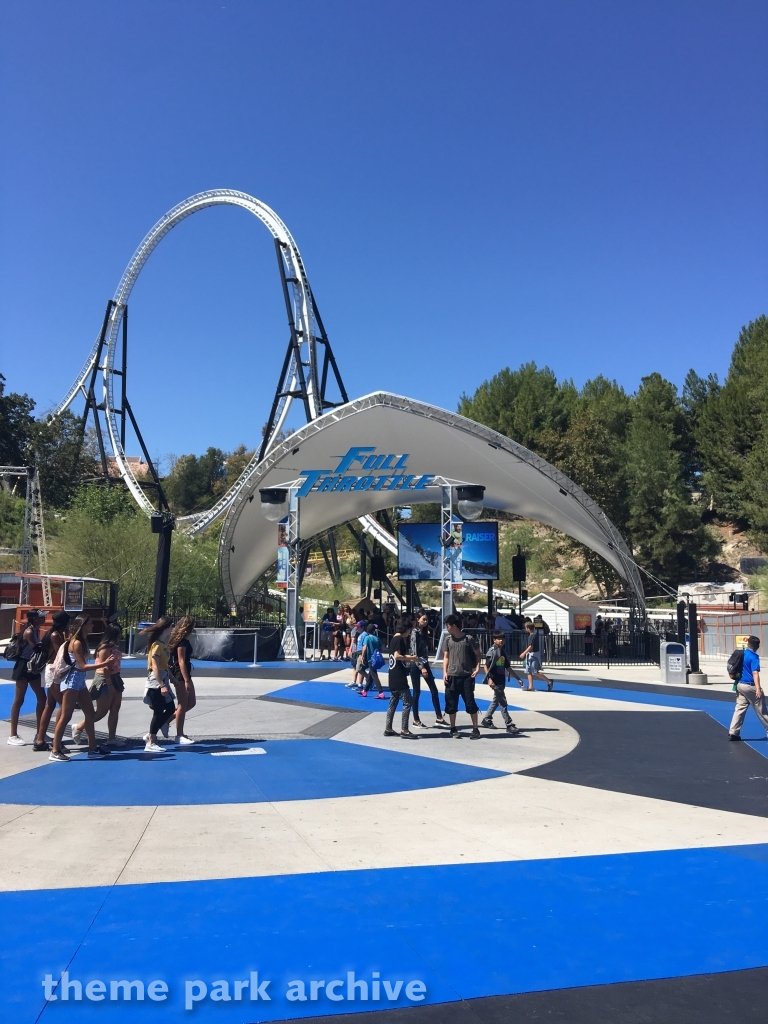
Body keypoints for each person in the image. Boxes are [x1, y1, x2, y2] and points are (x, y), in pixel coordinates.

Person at [49, 615, 112, 762]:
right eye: (90, 624)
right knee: (66, 716)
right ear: (83, 625)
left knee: (90, 713)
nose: (92, 626)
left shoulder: (82, 641)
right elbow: (82, 666)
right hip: (72, 681)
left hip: (79, 682)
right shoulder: (76, 643)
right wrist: (104, 663)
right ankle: (55, 750)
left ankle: (93, 747)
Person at [71, 623, 124, 747]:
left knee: (115, 708)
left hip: (116, 677)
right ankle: (79, 727)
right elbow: (105, 666)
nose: (120, 636)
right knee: (101, 711)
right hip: (105, 679)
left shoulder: (113, 646)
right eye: (118, 634)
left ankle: (112, 737)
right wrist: (109, 684)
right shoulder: (105, 647)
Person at [8, 609, 47, 747]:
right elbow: (37, 650)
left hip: (33, 667)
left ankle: (40, 732)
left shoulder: (36, 630)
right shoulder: (29, 632)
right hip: (24, 667)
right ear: (35, 619)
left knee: (42, 698)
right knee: (19, 699)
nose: (45, 618)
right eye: (42, 617)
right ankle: (13, 735)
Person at [34, 610, 70, 752]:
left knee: (50, 704)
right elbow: (61, 653)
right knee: (63, 704)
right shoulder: (55, 635)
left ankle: (40, 739)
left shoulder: (56, 633)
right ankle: (57, 740)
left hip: (52, 670)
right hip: (53, 671)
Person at [442, 613, 481, 739]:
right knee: (451, 704)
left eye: (448, 625)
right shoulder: (447, 640)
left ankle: (475, 729)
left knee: (470, 703)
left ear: (453, 626)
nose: (447, 628)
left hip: (466, 676)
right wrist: (445, 672)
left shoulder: (468, 639)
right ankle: (453, 728)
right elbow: (446, 657)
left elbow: (477, 654)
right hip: (451, 676)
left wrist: (478, 667)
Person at [141, 617, 177, 753]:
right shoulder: (156, 645)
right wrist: (161, 685)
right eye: (171, 626)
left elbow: (164, 665)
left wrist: (172, 678)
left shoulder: (163, 645)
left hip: (164, 678)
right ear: (165, 627)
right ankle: (151, 741)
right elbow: (155, 667)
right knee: (158, 710)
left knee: (170, 708)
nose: (172, 628)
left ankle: (151, 733)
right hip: (156, 682)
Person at [409, 612, 447, 727]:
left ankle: (439, 717)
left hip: (424, 663)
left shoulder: (424, 632)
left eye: (426, 620)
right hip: (415, 665)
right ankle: (416, 719)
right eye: (423, 619)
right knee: (416, 692)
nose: (425, 622)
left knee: (434, 690)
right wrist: (422, 668)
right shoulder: (414, 633)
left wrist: (425, 665)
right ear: (417, 619)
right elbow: (414, 652)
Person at [384, 616, 419, 738]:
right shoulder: (399, 639)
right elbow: (397, 656)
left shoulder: (393, 639)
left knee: (393, 702)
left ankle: (388, 727)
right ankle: (404, 729)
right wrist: (411, 658)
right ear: (406, 628)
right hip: (399, 676)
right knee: (408, 701)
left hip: (392, 675)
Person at [728, 636, 768, 741]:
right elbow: (755, 673)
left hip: (740, 685)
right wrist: (758, 688)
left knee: (740, 709)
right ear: (758, 646)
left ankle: (733, 732)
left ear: (748, 644)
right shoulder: (754, 657)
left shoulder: (742, 654)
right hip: (750, 685)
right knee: (761, 709)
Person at [480, 633, 519, 732]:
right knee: (502, 702)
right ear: (494, 640)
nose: (501, 641)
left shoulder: (503, 651)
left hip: (501, 680)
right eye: (498, 639)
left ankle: (487, 719)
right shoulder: (492, 651)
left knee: (496, 701)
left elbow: (508, 667)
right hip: (495, 680)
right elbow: (486, 666)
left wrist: (518, 678)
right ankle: (509, 724)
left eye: (502, 639)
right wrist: (489, 678)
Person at [168, 616, 197, 744]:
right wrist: (186, 680)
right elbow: (181, 661)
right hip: (181, 675)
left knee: (191, 702)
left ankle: (165, 722)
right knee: (182, 704)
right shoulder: (182, 642)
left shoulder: (182, 640)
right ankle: (179, 734)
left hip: (185, 673)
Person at [520, 621, 554, 691]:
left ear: (527, 628)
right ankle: (531, 686)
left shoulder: (533, 635)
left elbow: (531, 646)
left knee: (535, 671)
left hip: (533, 655)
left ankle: (549, 681)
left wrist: (523, 653)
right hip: (530, 654)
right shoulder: (532, 635)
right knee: (528, 671)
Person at [359, 624, 386, 698]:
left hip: (370, 658)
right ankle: (365, 691)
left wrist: (362, 656)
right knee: (371, 675)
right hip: (376, 659)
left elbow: (364, 648)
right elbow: (382, 648)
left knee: (374, 676)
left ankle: (381, 692)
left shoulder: (367, 638)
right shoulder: (377, 638)